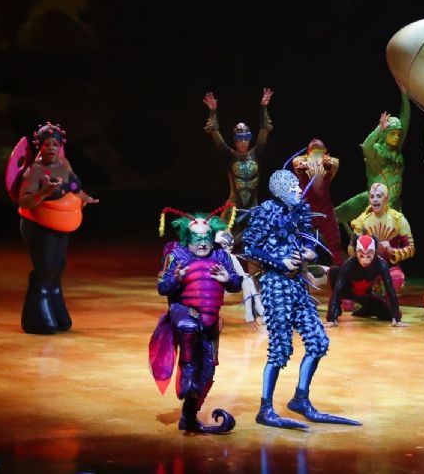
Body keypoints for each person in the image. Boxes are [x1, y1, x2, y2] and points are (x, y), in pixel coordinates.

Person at [243, 167, 361, 430]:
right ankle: (265, 408)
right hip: (276, 285)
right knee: (280, 348)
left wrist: (310, 254)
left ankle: (301, 399)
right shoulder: (266, 211)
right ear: (281, 190)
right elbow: (250, 247)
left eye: (298, 185)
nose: (299, 189)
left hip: (298, 283)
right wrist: (279, 262)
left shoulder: (301, 211)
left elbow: (309, 243)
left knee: (318, 342)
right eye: (293, 187)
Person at [149, 209, 240, 433]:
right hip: (185, 313)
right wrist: (176, 279)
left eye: (206, 237)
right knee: (189, 329)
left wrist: (228, 279)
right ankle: (186, 376)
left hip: (210, 320)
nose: (202, 243)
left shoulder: (220, 256)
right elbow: (162, 287)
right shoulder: (177, 255)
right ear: (188, 239)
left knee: (207, 371)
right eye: (197, 238)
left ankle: (189, 416)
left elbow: (236, 284)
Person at [14, 122, 98, 334]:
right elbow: (24, 201)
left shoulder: (64, 164)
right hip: (39, 226)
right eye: (47, 144)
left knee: (58, 266)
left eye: (55, 144)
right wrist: (43, 192)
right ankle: (36, 319)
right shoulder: (34, 171)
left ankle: (56, 312)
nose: (51, 148)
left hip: (61, 225)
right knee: (44, 269)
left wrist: (84, 197)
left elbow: (74, 187)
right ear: (40, 146)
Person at [334, 84, 411, 223]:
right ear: (384, 135)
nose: (397, 137)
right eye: (392, 134)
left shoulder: (396, 150)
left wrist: (405, 95)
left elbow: (405, 120)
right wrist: (379, 128)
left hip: (394, 207)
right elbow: (366, 147)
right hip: (376, 208)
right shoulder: (377, 152)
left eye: (398, 134)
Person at [203, 88, 273, 209]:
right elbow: (214, 132)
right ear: (235, 140)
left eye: (246, 137)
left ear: (250, 138)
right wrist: (213, 111)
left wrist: (263, 107)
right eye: (239, 138)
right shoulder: (230, 156)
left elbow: (264, 129)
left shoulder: (257, 153)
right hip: (233, 208)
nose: (243, 142)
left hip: (253, 208)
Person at [349, 182, 415, 294]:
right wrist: (362, 251)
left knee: (396, 278)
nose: (375, 199)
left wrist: (392, 251)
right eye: (372, 196)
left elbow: (411, 249)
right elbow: (351, 248)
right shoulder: (362, 221)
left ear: (386, 199)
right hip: (367, 268)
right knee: (348, 296)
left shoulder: (398, 219)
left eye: (379, 196)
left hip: (390, 268)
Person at [326, 235, 403, 326]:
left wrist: (396, 319)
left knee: (395, 314)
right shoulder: (349, 263)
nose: (365, 260)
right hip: (347, 291)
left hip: (365, 295)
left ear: (374, 252)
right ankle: (337, 309)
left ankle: (368, 309)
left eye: (369, 255)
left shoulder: (381, 264)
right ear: (356, 252)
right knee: (334, 271)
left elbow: (390, 289)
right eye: (362, 255)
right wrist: (331, 318)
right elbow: (337, 290)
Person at [292, 139, 345, 267]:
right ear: (308, 152)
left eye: (319, 146)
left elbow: (334, 163)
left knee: (334, 242)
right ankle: (298, 269)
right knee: (300, 239)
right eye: (313, 147)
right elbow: (295, 162)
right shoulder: (301, 160)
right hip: (307, 208)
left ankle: (339, 270)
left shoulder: (332, 162)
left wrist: (326, 162)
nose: (316, 142)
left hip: (325, 207)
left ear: (325, 151)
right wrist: (305, 162)